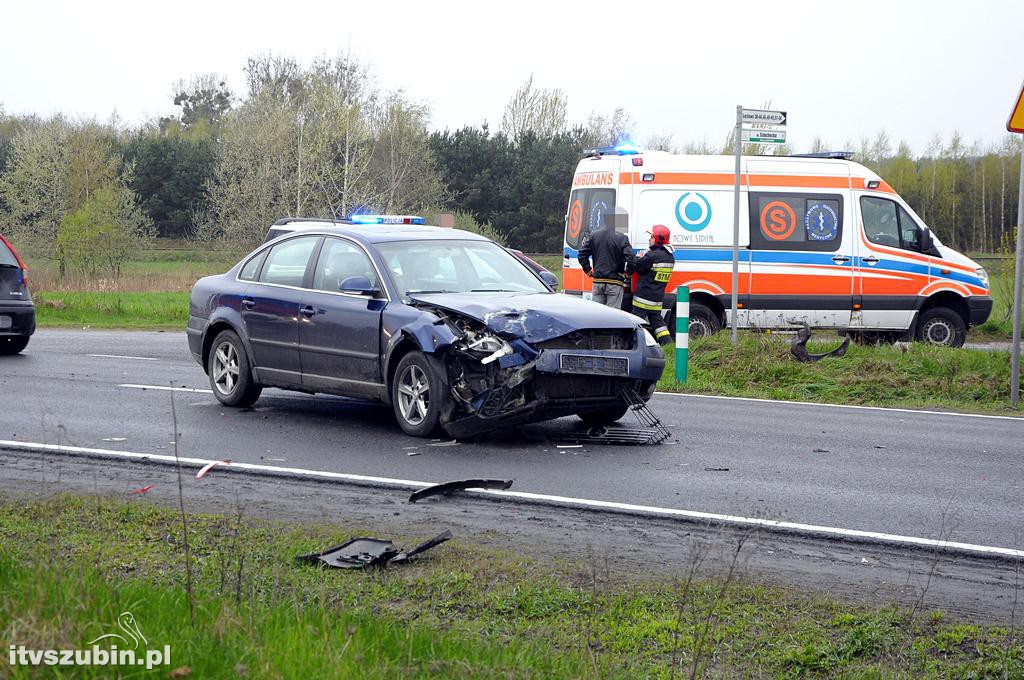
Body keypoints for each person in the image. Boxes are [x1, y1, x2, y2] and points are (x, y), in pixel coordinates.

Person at [629, 224, 674, 345]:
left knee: (635, 322)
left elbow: (638, 267)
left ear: (658, 239)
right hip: (657, 298)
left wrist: (637, 257)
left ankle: (631, 344)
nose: (649, 239)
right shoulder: (670, 257)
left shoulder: (651, 255)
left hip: (643, 298)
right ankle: (668, 344)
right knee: (658, 324)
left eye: (651, 237)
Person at [577, 217, 634, 310]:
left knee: (598, 314)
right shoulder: (622, 238)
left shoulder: (594, 235)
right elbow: (631, 259)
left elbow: (581, 254)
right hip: (615, 282)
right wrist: (628, 274)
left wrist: (588, 270)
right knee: (613, 316)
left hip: (598, 281)